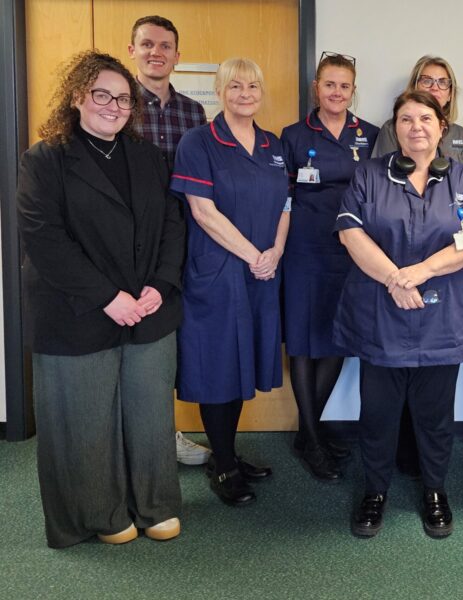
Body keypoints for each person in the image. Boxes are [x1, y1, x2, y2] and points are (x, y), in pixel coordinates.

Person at [17, 50, 184, 547]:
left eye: (123, 99)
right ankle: (100, 513)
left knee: (150, 413)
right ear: (77, 97)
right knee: (86, 417)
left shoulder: (149, 157)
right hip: (78, 311)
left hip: (149, 309)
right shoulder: (44, 159)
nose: (113, 106)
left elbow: (173, 225)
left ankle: (154, 504)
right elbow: (43, 238)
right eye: (101, 95)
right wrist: (109, 297)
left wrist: (160, 283)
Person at [335, 91, 463, 539]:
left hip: (442, 319)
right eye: (406, 119)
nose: (416, 127)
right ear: (395, 129)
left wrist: (419, 274)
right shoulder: (369, 174)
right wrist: (394, 280)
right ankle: (375, 491)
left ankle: (435, 491)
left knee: (435, 414)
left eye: (426, 118)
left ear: (442, 126)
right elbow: (350, 232)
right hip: (382, 315)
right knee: (379, 413)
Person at [170, 57, 290, 507]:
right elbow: (202, 212)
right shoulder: (199, 141)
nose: (245, 93)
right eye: (235, 85)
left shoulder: (273, 145)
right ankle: (223, 465)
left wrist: (275, 251)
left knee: (242, 364)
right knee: (218, 367)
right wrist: (254, 255)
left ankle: (229, 454)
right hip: (218, 273)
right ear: (219, 91)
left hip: (262, 273)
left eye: (253, 85)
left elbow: (287, 204)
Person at [280, 52, 379, 482]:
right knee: (303, 341)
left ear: (353, 90)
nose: (337, 92)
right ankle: (313, 439)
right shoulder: (293, 135)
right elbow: (281, 196)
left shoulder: (370, 135)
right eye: (329, 84)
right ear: (316, 87)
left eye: (345, 86)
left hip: (352, 250)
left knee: (337, 338)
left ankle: (309, 435)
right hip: (304, 247)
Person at [128, 14, 211, 466]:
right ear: (132, 51)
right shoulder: (119, 105)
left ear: (177, 56)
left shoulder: (193, 113)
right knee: (133, 338)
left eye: (165, 46)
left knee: (171, 340)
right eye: (147, 45)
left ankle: (166, 432)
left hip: (181, 237)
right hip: (129, 239)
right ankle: (138, 440)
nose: (156, 53)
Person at [373, 55, 463, 163]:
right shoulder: (391, 128)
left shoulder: (460, 134)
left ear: (450, 94)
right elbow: (379, 175)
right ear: (414, 88)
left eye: (442, 82)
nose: (434, 88)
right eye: (427, 81)